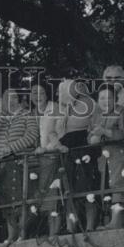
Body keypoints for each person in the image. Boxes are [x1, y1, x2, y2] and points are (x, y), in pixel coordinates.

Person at [42, 79, 96, 230]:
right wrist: (58, 144)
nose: (59, 94)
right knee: (68, 188)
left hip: (83, 149)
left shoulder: (87, 104)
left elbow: (88, 126)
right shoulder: (63, 109)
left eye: (62, 90)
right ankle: (71, 227)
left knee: (86, 187)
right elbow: (53, 132)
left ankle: (90, 225)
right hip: (67, 152)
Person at [0, 89, 39, 241]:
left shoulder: (26, 114)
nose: (11, 100)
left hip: (22, 162)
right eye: (7, 98)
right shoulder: (0, 116)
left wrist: (11, 148)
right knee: (8, 201)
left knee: (23, 199)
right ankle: (11, 235)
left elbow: (32, 135)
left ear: (19, 99)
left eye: (14, 97)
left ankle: (23, 233)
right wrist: (2, 112)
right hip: (5, 165)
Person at [88, 85, 124, 229]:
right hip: (105, 158)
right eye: (102, 98)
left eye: (109, 97)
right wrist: (93, 138)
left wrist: (104, 132)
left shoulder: (123, 111)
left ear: (115, 99)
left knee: (120, 187)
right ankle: (112, 220)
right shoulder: (97, 115)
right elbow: (90, 135)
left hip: (122, 154)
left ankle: (116, 222)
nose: (105, 101)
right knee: (109, 187)